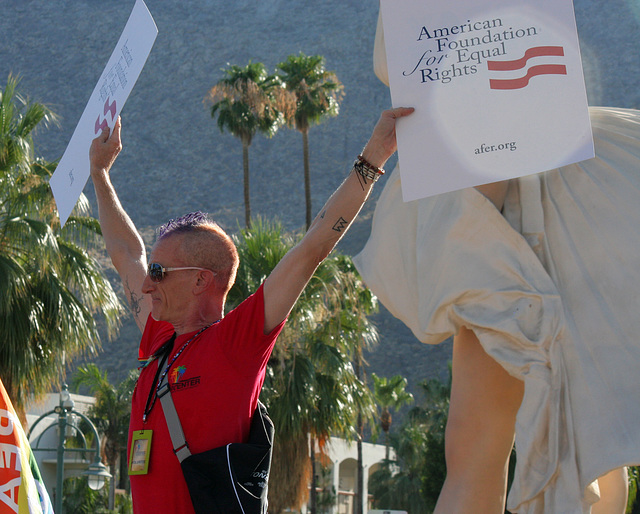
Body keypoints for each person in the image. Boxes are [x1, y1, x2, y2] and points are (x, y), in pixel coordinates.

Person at [354, 8, 640, 514]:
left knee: (480, 456)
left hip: (506, 201)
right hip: (559, 185)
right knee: (585, 429)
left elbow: (405, 59)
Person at [88, 106, 413, 513]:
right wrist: (100, 174)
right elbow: (124, 252)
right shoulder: (159, 337)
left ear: (201, 280)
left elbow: (312, 247)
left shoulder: (236, 344)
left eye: (158, 271)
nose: (147, 283)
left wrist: (374, 158)